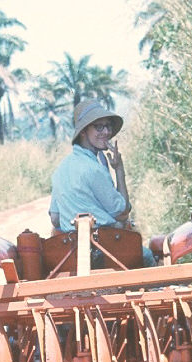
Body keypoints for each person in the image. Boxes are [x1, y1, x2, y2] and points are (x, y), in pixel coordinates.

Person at [49, 98, 156, 266]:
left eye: (108, 126)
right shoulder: (93, 168)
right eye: (98, 127)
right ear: (83, 132)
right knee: (148, 257)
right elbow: (122, 213)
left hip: (71, 253)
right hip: (105, 249)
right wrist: (119, 170)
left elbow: (55, 219)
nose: (106, 132)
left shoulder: (60, 169)